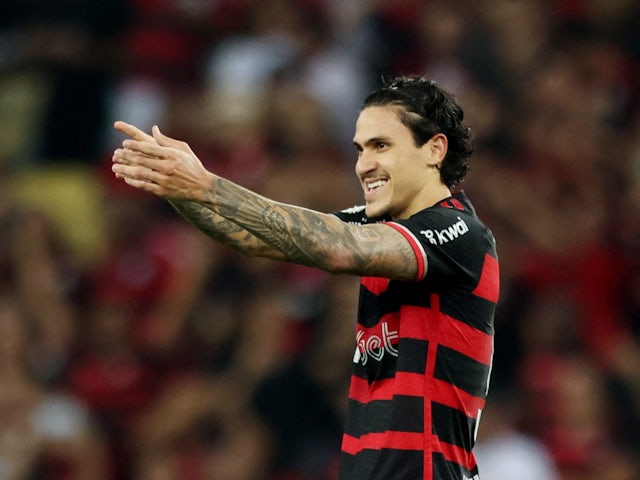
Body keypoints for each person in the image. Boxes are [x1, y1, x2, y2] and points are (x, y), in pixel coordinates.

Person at [111, 75, 499, 480]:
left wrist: (207, 185)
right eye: (361, 149)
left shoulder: (458, 233)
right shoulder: (378, 225)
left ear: (435, 149)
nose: (364, 165)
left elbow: (336, 247)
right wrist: (178, 189)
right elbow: (253, 239)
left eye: (381, 146)